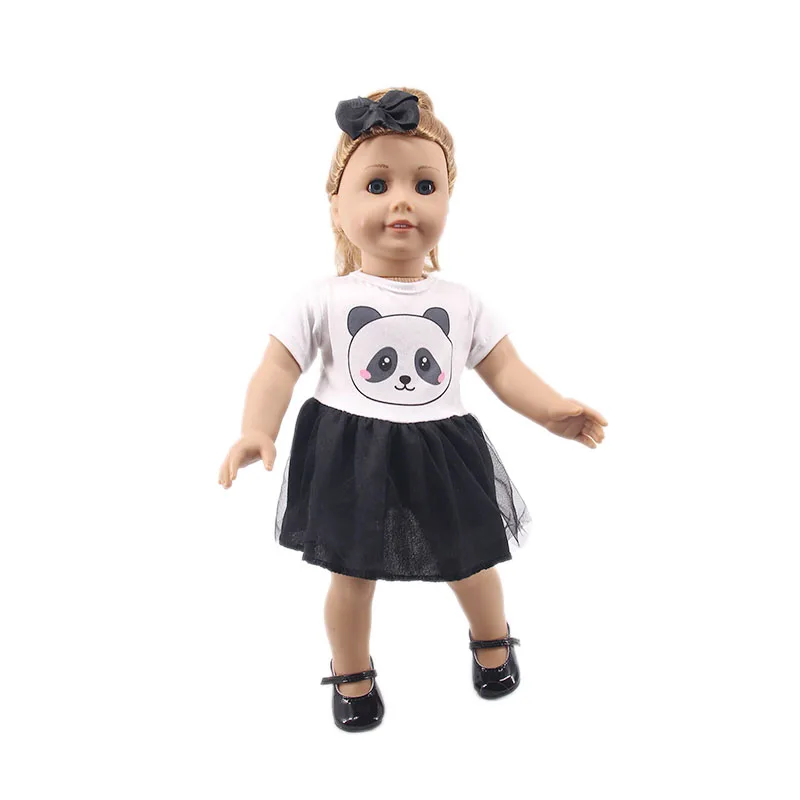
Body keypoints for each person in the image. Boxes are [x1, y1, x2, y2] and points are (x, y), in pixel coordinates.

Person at [218, 88, 608, 732]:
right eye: (377, 185)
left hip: (440, 449)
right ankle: (352, 672)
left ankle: (492, 639)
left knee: (472, 559)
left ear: (448, 201)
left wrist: (551, 411)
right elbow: (277, 367)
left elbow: (504, 369)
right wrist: (257, 429)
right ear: (336, 204)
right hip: (350, 453)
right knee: (350, 576)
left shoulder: (460, 301)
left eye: (425, 185)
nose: (403, 201)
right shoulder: (322, 298)